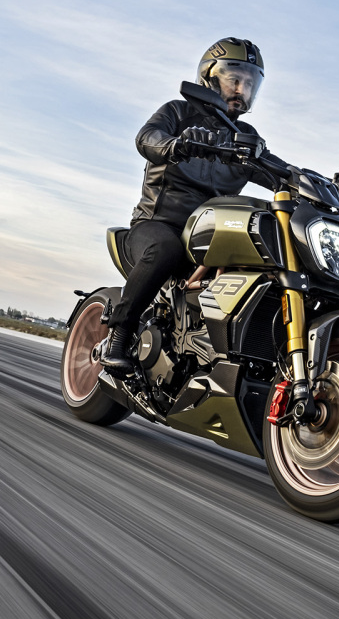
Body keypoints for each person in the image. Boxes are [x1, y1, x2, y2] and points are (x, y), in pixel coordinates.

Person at [101, 37, 290, 373]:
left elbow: (280, 172)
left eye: (249, 83)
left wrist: (323, 185)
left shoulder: (245, 137)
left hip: (211, 236)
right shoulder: (178, 112)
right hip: (158, 226)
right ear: (210, 77)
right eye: (235, 79)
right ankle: (119, 334)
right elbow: (147, 137)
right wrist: (178, 145)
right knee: (165, 248)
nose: (241, 89)